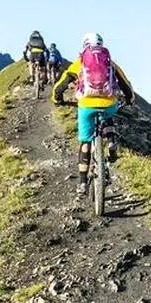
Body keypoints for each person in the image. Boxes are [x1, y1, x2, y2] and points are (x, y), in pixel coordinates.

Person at [52, 32, 135, 195]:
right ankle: (111, 140)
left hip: (86, 106)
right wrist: (130, 98)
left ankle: (83, 183)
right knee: (108, 113)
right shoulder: (110, 63)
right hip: (108, 103)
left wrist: (57, 99)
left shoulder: (79, 63)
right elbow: (125, 84)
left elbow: (61, 85)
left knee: (85, 141)